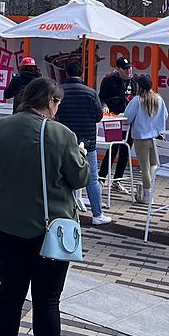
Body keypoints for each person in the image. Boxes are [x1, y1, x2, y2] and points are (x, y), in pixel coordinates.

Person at [0, 77, 88, 336]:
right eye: (57, 104)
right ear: (51, 102)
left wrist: (10, 194)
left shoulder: (1, 128)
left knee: (10, 292)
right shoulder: (61, 134)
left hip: (7, 226)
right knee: (47, 301)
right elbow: (79, 177)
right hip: (50, 230)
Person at [55, 61, 110, 225]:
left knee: (62, 177)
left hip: (64, 140)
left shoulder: (59, 92)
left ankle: (62, 213)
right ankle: (97, 215)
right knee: (92, 179)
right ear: (81, 74)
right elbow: (99, 116)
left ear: (65, 73)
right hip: (88, 142)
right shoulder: (90, 93)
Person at [124, 75, 169, 205]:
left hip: (141, 138)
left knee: (144, 168)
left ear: (139, 86)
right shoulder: (159, 99)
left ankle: (148, 196)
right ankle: (150, 192)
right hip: (157, 136)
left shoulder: (137, 100)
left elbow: (127, 117)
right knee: (153, 165)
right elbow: (165, 115)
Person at [98, 56, 138, 191]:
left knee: (125, 150)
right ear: (118, 69)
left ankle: (117, 180)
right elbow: (101, 97)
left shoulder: (135, 80)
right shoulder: (109, 80)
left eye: (130, 68)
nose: (129, 71)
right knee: (113, 148)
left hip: (130, 119)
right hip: (113, 119)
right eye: (125, 69)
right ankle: (101, 178)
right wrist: (104, 106)